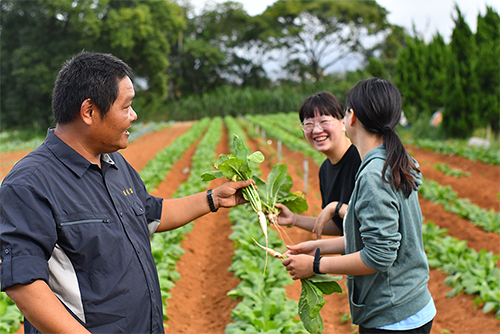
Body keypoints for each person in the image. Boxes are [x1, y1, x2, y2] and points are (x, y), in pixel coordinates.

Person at [0, 51, 253, 334]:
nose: (133, 116)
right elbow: (23, 283)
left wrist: (213, 199)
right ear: (89, 111)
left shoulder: (113, 162)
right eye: (126, 107)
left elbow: (149, 214)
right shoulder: (29, 184)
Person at [282, 78, 435, 333]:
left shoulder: (373, 175)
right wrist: (316, 247)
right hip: (408, 306)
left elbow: (379, 255)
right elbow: (367, 238)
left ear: (350, 118)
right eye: (308, 123)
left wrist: (317, 265)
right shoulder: (390, 160)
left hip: (393, 314)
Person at [276, 91, 361, 238]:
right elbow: (339, 226)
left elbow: (372, 223)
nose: (316, 130)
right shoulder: (325, 170)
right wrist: (294, 219)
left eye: (324, 122)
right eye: (308, 124)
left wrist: (337, 207)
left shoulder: (362, 160)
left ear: (343, 123)